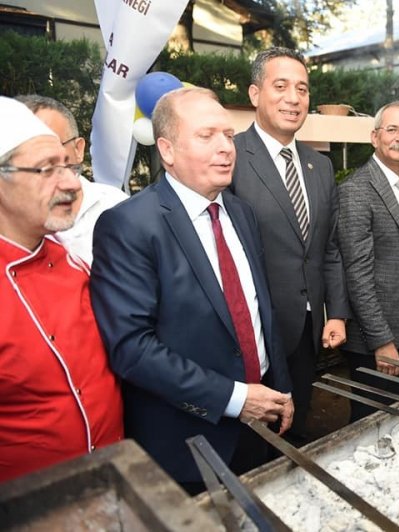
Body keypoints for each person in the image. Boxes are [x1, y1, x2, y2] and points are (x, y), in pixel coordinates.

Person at [90, 88, 293, 495]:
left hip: (259, 426)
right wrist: (235, 398)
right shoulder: (129, 225)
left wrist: (280, 385)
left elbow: (256, 309)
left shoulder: (240, 211)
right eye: (206, 136)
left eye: (229, 136)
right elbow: (132, 348)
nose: (225, 148)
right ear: (166, 149)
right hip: (187, 443)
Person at [0, 96, 123, 482]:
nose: (71, 183)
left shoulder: (74, 262)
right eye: (47, 169)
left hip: (114, 480)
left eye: (68, 166)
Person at [230, 47, 349, 440]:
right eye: (280, 86)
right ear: (254, 94)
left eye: (302, 88)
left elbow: (328, 248)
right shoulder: (231, 159)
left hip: (307, 330)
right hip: (252, 331)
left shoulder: (320, 165)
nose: (294, 98)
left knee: (297, 429)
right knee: (253, 442)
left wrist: (335, 312)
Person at [337, 101, 399, 421]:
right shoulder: (356, 190)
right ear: (374, 137)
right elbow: (357, 274)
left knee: (391, 412)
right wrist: (381, 341)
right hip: (374, 336)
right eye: (392, 129)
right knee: (369, 420)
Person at [16, 95, 127, 266]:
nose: (39, 160)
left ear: (78, 149)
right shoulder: (9, 221)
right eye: (22, 151)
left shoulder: (118, 208)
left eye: (51, 148)